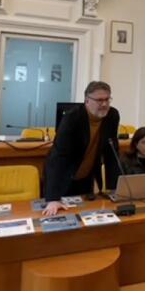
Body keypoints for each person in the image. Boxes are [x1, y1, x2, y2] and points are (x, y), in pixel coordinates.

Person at [43, 81, 120, 216]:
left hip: (86, 176)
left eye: (107, 99)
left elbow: (111, 153)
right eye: (99, 100)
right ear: (87, 101)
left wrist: (114, 188)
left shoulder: (112, 115)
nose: (104, 104)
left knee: (85, 214)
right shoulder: (72, 118)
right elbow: (59, 157)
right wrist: (53, 198)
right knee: (61, 216)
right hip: (63, 176)